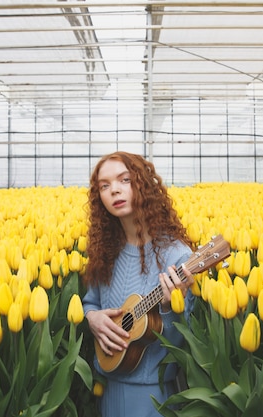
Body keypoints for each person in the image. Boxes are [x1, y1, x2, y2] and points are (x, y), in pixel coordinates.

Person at [82, 151, 195, 417]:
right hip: (109, 388)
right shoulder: (104, 251)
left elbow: (184, 341)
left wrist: (169, 308)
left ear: (143, 184)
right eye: (105, 186)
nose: (114, 191)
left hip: (154, 396)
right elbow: (91, 301)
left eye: (125, 180)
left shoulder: (176, 256)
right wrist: (93, 317)